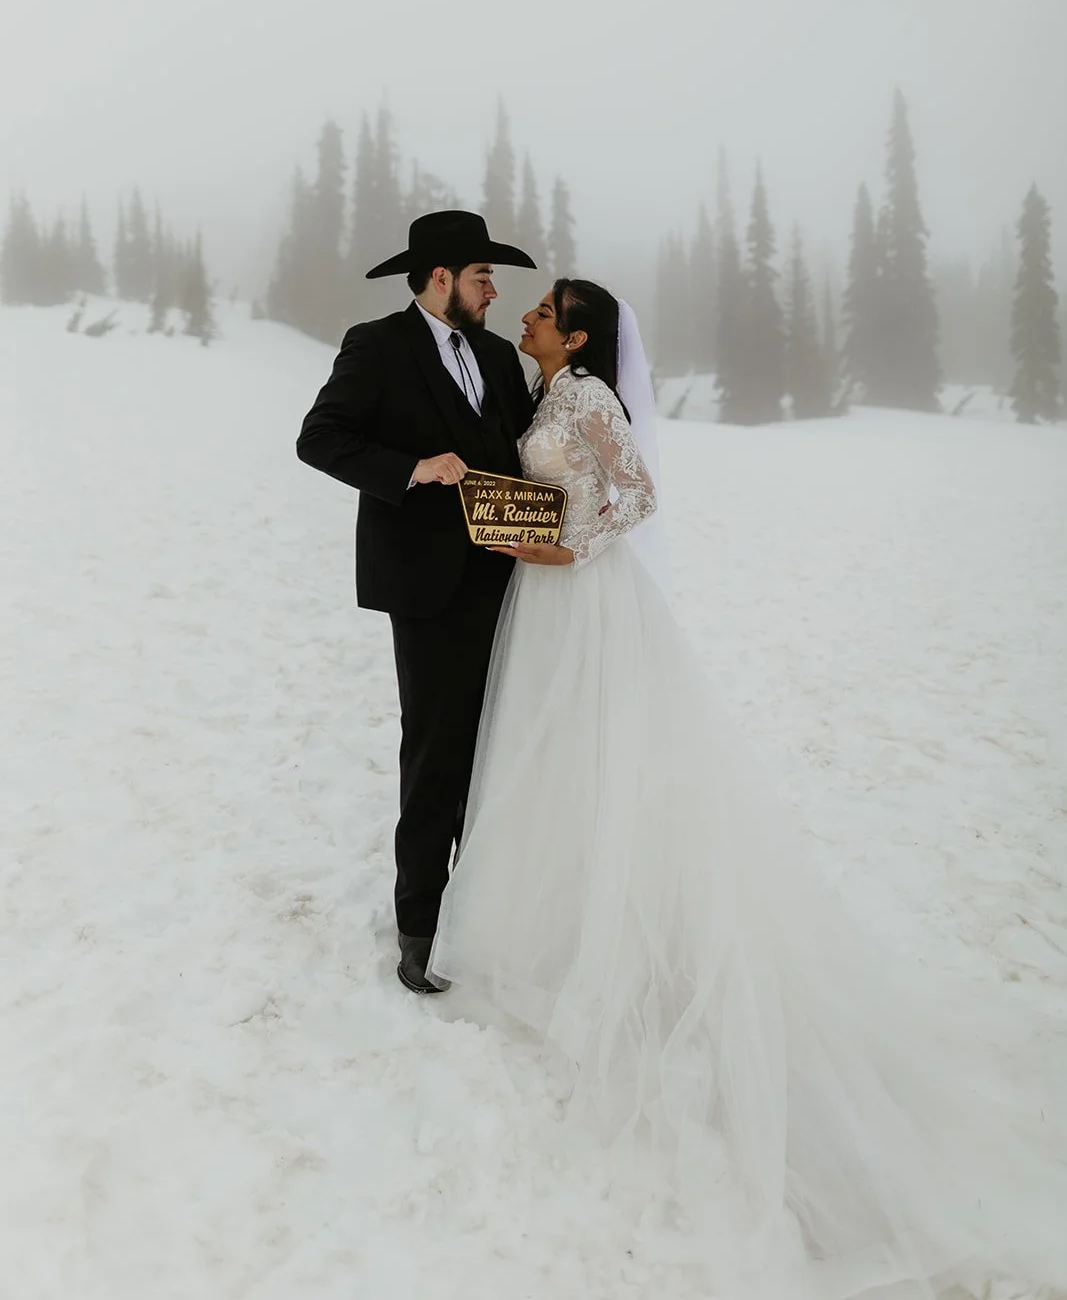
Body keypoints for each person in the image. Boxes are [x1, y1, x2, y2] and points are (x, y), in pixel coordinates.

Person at [429, 278, 1067, 1300]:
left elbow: (634, 497)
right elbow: (552, 481)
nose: (529, 317)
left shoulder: (588, 395)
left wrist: (563, 544)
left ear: (577, 334)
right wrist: (512, 523)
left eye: (544, 309)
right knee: (549, 763)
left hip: (591, 604)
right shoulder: (544, 394)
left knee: (609, 759)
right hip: (545, 608)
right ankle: (559, 920)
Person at [296, 209, 535, 994]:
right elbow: (321, 439)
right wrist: (411, 468)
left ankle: (491, 910)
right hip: (425, 588)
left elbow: (523, 455)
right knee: (435, 752)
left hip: (512, 581)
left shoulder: (499, 357)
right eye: (482, 276)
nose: (494, 291)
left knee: (501, 751)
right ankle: (420, 928)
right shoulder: (377, 345)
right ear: (441, 278)